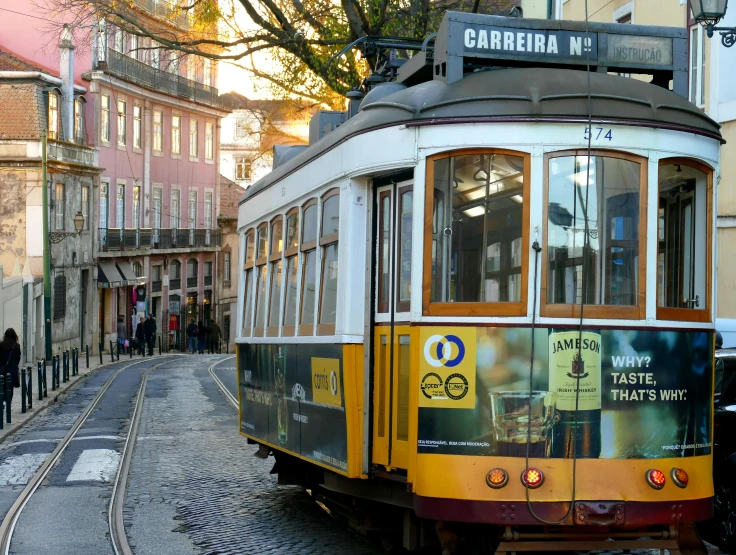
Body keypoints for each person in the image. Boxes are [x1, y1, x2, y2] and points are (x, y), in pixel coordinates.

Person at [0, 328, 21, 406]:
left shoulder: (1, 345)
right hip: (12, 370)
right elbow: (18, 358)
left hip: (2, 369)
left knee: (3, 386)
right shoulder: (17, 346)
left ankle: (3, 401)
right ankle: (8, 402)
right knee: (10, 388)